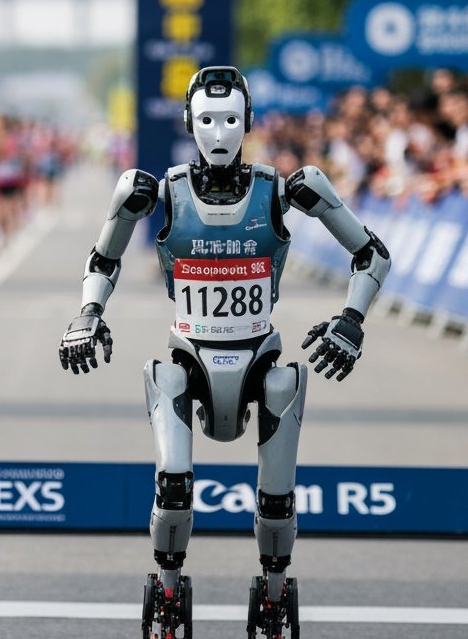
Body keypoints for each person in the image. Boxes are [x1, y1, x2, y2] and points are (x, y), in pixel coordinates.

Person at [58, 67, 392, 639]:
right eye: (208, 120)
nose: (219, 132)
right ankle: (166, 589)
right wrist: (88, 314)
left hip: (261, 353)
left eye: (231, 119)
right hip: (187, 354)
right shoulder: (152, 189)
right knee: (174, 478)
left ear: (249, 122)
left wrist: (352, 321)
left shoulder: (289, 188)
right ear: (190, 122)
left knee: (280, 459)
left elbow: (372, 254)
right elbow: (103, 258)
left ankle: (274, 586)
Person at [0, 114, 28, 241]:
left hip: (11, 177)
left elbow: (18, 155)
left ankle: (10, 232)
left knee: (10, 205)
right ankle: (2, 229)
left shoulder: (13, 139)